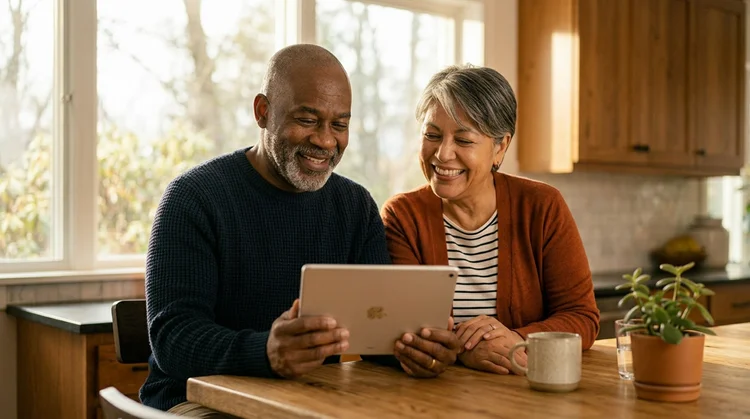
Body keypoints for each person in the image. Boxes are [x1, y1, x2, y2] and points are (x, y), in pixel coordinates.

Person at [141, 44, 458, 417]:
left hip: (310, 401)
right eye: (307, 120)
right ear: (263, 112)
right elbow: (173, 339)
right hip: (199, 401)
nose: (325, 141)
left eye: (339, 125)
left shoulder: (355, 206)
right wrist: (264, 352)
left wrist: (415, 351)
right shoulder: (195, 197)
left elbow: (378, 335)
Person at [380, 64, 600, 376]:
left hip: (528, 394)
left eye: (464, 140)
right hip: (435, 399)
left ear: (500, 147)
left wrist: (518, 340)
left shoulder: (542, 206)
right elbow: (404, 330)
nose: (442, 154)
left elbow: (582, 317)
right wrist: (465, 348)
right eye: (432, 135)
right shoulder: (403, 217)